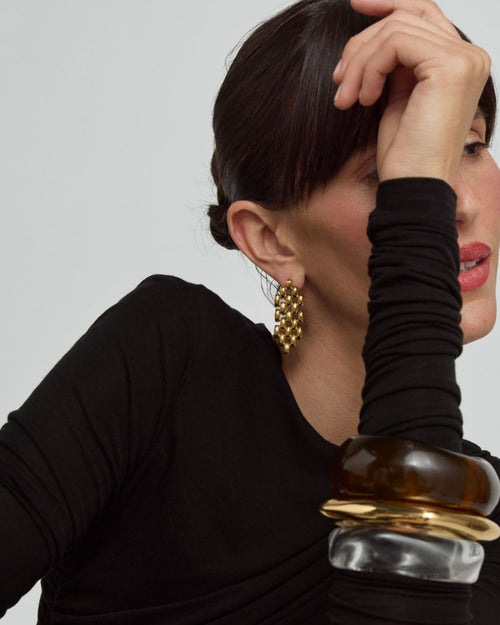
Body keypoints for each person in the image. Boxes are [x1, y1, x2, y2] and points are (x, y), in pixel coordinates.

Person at [1, 0, 500, 623]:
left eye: (469, 146)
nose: (455, 204)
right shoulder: (169, 364)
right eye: (389, 177)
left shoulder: (480, 526)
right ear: (270, 240)